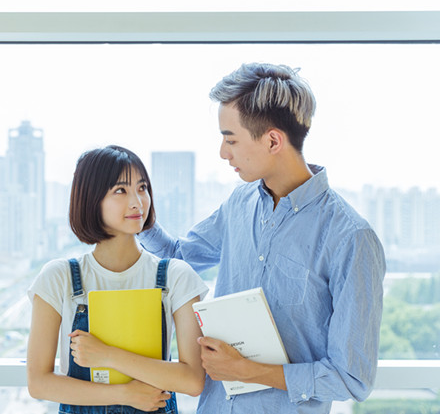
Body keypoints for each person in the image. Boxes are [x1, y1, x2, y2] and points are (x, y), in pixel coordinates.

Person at [138, 63, 387, 414]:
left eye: (231, 139)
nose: (224, 153)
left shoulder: (351, 238)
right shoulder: (239, 203)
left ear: (272, 140)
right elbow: (180, 255)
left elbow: (351, 378)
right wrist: (140, 215)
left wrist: (247, 371)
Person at [27, 145, 208, 413]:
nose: (137, 201)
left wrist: (107, 355)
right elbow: (39, 383)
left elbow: (192, 380)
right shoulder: (58, 277)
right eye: (120, 191)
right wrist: (126, 394)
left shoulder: (176, 276)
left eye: (142, 188)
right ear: (92, 199)